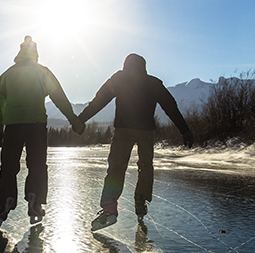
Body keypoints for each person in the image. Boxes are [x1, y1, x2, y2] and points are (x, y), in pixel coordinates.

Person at [78, 53, 193, 231]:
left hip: (123, 129)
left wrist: (81, 119)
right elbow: (171, 106)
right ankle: (141, 199)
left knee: (116, 167)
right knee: (145, 166)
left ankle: (109, 209)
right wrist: (184, 130)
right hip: (146, 131)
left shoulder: (119, 79)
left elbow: (99, 100)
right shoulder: (153, 83)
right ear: (143, 67)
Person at [0, 36, 85, 228]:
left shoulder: (7, 74)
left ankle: (4, 202)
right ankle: (35, 199)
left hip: (13, 126)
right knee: (37, 165)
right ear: (35, 52)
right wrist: (73, 119)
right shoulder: (43, 72)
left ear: (20, 52)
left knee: (8, 167)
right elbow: (58, 96)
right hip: (36, 125)